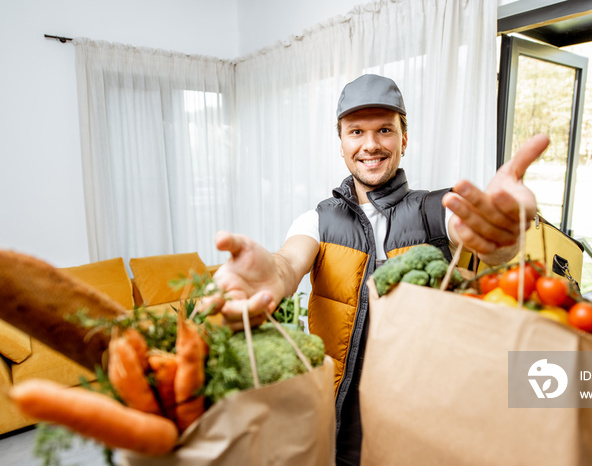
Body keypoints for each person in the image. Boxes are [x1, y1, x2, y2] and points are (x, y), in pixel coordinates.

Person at [203, 74, 549, 465]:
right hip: (335, 411)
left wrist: (500, 237)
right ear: (342, 144)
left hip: (418, 414)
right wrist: (272, 275)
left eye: (385, 129)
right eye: (356, 132)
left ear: (404, 139)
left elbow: (478, 236)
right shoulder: (316, 219)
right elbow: (287, 262)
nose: (370, 144)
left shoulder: (437, 209)